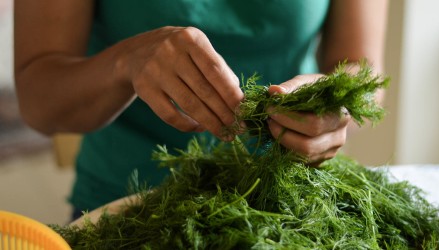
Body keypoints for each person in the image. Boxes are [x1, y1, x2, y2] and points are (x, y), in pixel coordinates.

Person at [14, 0, 388, 220]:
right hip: (129, 209)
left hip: (289, 205)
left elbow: (363, 72)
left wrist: (332, 103)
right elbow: (37, 101)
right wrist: (124, 64)